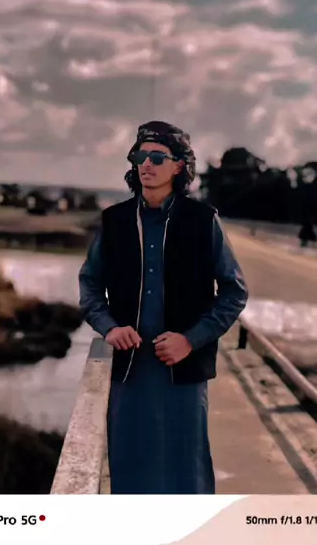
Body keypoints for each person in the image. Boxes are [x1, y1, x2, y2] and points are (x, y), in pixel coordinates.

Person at [78, 120, 249, 494]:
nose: (146, 164)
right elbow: (89, 283)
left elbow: (234, 291)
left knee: (186, 475)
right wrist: (109, 327)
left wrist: (191, 340)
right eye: (140, 156)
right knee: (130, 474)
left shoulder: (203, 221)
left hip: (183, 374)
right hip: (129, 372)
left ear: (178, 167)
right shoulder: (115, 220)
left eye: (157, 157)